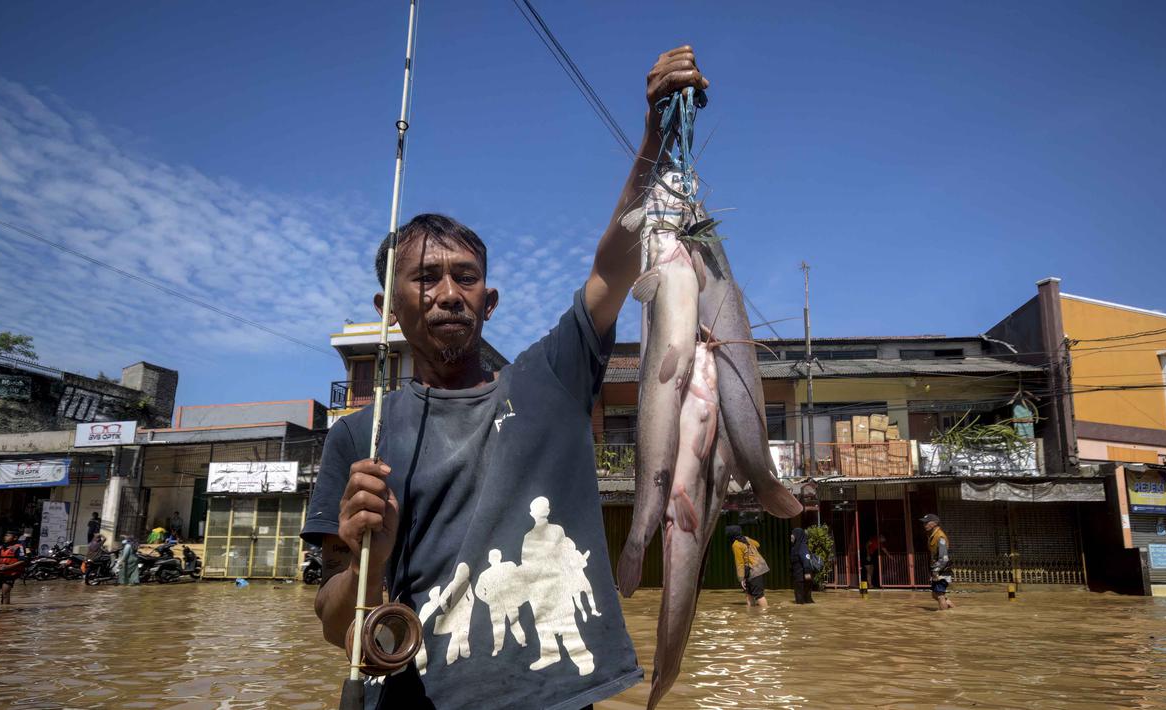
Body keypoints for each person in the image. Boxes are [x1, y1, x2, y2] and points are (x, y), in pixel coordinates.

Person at [301, 46, 709, 709]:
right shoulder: (358, 438)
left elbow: (611, 268)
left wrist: (655, 140)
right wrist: (364, 560)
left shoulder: (550, 380)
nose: (447, 293)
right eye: (425, 278)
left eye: (465, 278)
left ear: (488, 302)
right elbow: (333, 625)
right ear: (387, 308)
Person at [728, 525, 769, 608]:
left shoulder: (736, 545)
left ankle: (766, 613)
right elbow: (757, 544)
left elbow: (740, 563)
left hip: (753, 570)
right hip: (758, 568)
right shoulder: (746, 539)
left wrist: (741, 578)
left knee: (759, 595)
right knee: (749, 592)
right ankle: (751, 613)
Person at [920, 514, 955, 610]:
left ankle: (944, 616)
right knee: (935, 594)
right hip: (937, 568)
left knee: (939, 595)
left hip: (942, 570)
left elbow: (944, 558)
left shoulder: (940, 537)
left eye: (926, 523)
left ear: (934, 523)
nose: (924, 525)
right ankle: (954, 610)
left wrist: (936, 571)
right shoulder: (933, 535)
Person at [0, 530, 27, 605]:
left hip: (10, 573)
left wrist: (8, 567)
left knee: (5, 592)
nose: (5, 537)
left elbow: (22, 560)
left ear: (15, 538)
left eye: (8, 536)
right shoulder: (1, 547)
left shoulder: (19, 547)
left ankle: (5, 610)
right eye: (5, 536)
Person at [789, 527, 815, 605]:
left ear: (798, 535)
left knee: (801, 601)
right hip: (798, 577)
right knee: (804, 600)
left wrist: (807, 572)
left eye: (793, 534)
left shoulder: (802, 547)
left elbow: (806, 559)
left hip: (803, 578)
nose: (791, 536)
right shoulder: (795, 547)